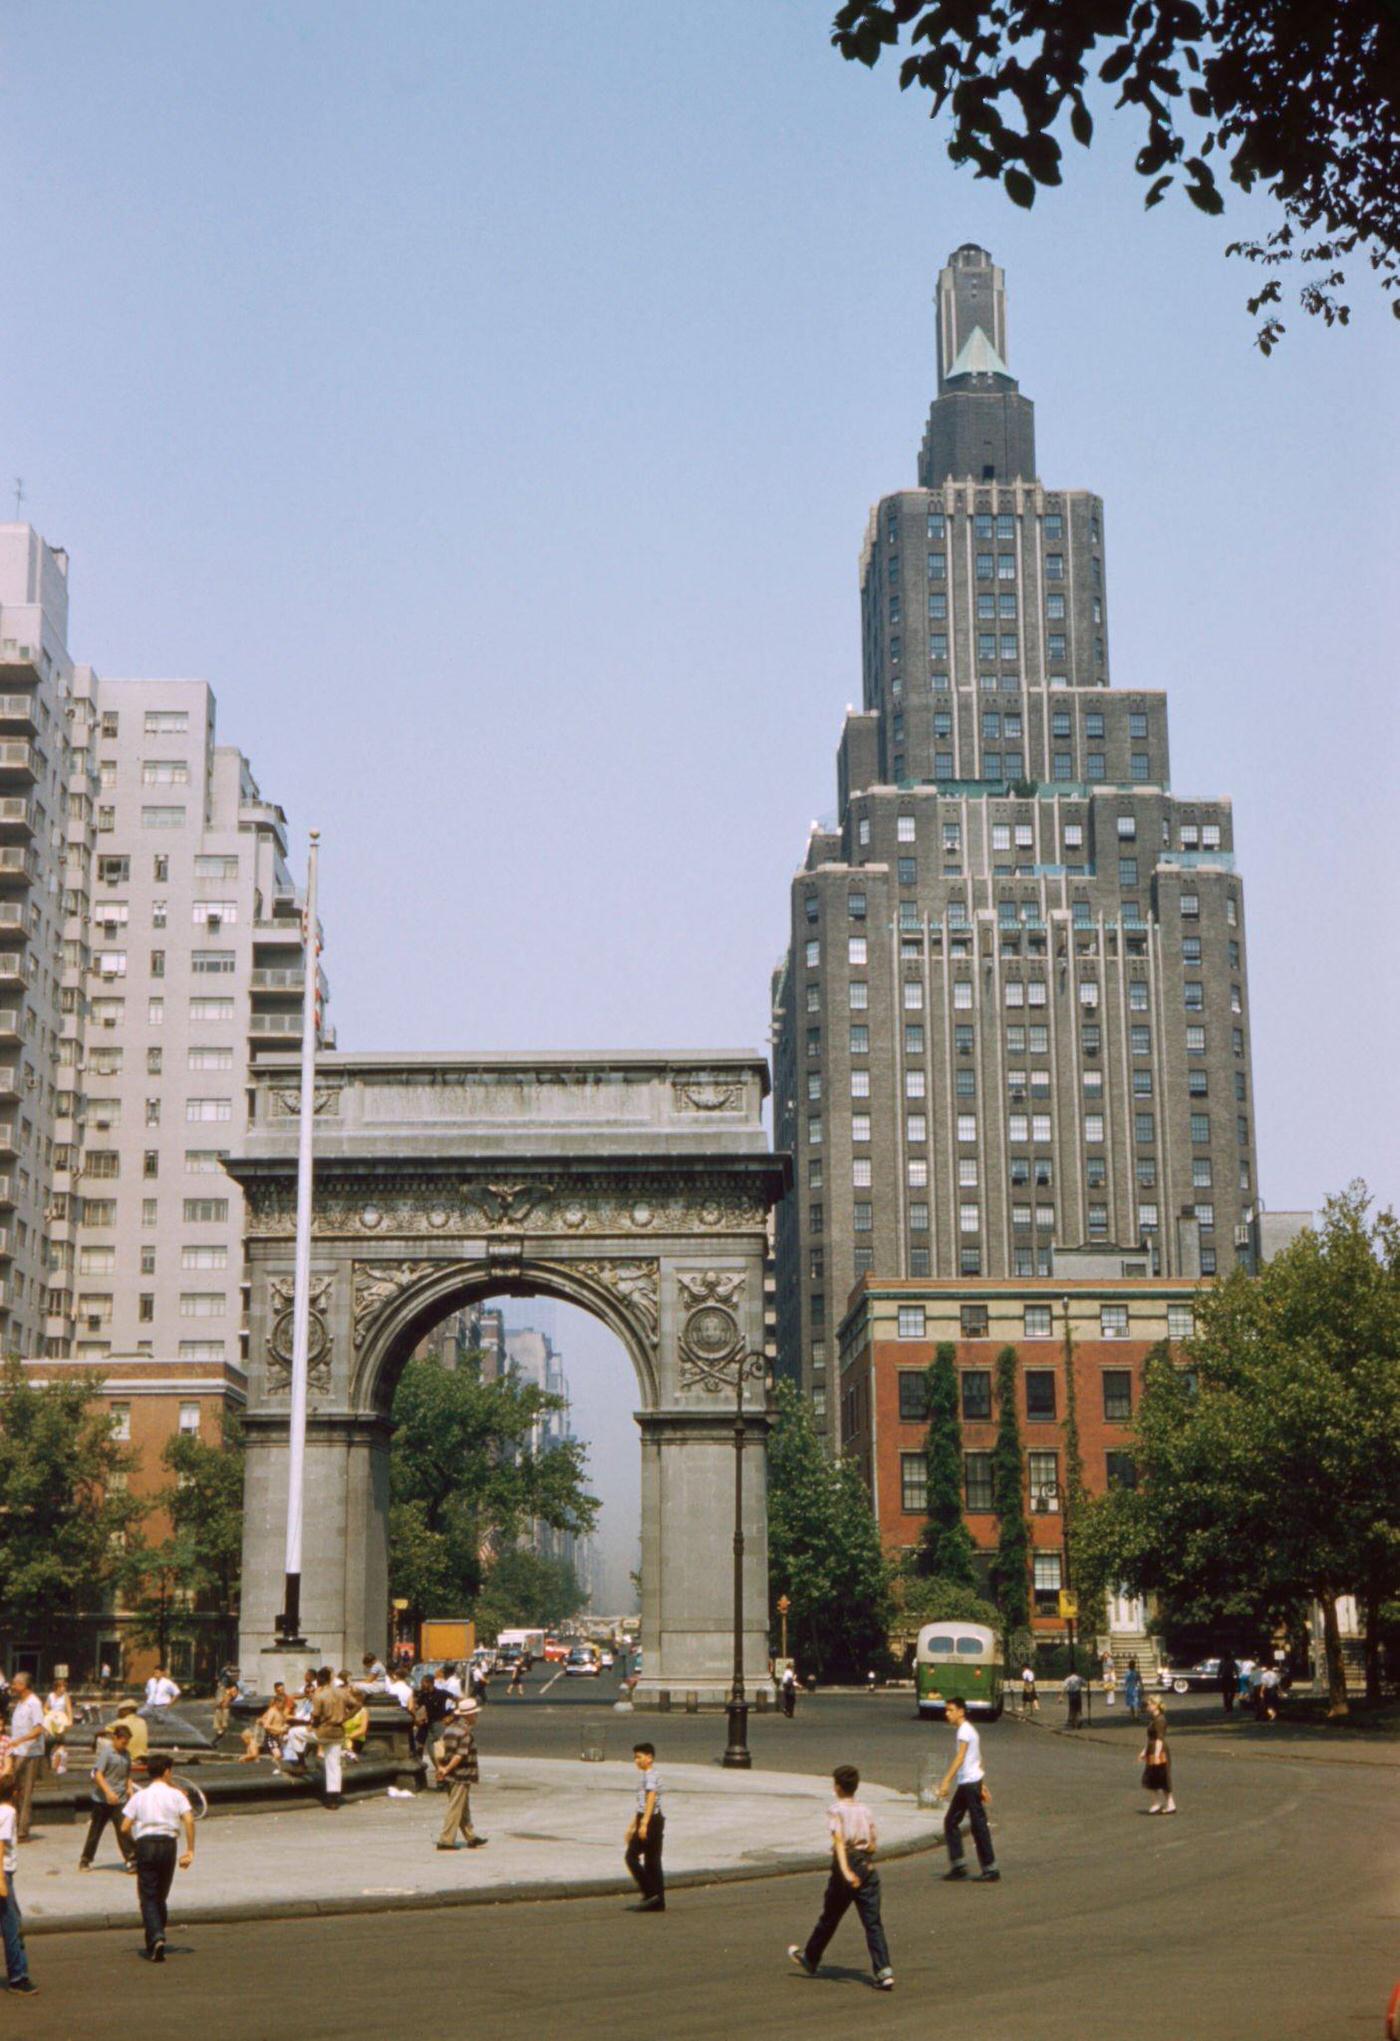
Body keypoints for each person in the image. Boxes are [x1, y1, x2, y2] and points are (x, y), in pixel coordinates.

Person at [788, 1764, 893, 1990]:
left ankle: (811, 1957)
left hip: (847, 1866)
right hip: (867, 1866)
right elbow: (873, 1843)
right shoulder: (865, 1810)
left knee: (830, 1916)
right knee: (872, 1922)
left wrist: (846, 1872)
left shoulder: (836, 1810)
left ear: (837, 1787)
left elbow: (839, 1844)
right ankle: (884, 1971)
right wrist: (864, 1862)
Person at [121, 1754, 195, 1962]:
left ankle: (156, 1937)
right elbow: (189, 1820)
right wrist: (190, 1850)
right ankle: (155, 1938)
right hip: (169, 1845)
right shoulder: (176, 1795)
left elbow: (124, 1826)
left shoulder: (139, 1796)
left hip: (146, 1843)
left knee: (147, 1896)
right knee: (160, 1895)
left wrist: (136, 1844)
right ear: (166, 1772)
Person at [936, 1697, 999, 1882]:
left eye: (950, 1710)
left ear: (961, 1711)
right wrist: (983, 1784)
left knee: (978, 1825)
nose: (947, 1714)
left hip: (970, 1783)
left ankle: (991, 1868)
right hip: (970, 1782)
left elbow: (961, 1757)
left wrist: (946, 1781)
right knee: (951, 1821)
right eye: (946, 1710)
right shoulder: (968, 1729)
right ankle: (959, 1865)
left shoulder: (964, 1731)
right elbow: (978, 1758)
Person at [79, 1720, 137, 1872]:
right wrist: (108, 1792)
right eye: (123, 1742)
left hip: (120, 1799)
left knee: (123, 1830)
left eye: (127, 1743)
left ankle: (131, 1859)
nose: (125, 1745)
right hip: (102, 1800)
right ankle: (86, 1859)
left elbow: (127, 1774)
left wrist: (129, 1788)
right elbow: (98, 1775)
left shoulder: (126, 1754)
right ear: (115, 1739)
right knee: (96, 1831)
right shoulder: (107, 1753)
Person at [0, 1774, 37, 1995]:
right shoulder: (9, 1813)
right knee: (12, 1925)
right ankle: (17, 1976)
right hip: (4, 1873)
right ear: (15, 1793)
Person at [434, 1697, 486, 1851]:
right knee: (456, 1807)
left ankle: (471, 1837)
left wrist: (441, 1768)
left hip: (452, 1774)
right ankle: (446, 1840)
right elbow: (459, 1755)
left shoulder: (449, 1729)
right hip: (461, 1773)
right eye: (474, 1714)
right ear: (468, 1715)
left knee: (462, 1806)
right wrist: (447, 1769)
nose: (476, 1717)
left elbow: (440, 1749)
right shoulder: (465, 1732)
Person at [624, 1742, 665, 1912]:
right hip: (655, 1819)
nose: (636, 1760)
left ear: (650, 1758)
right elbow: (641, 1805)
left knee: (631, 1856)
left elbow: (650, 1800)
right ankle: (658, 1901)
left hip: (651, 1819)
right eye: (635, 1757)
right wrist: (633, 1825)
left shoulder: (650, 1776)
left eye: (639, 1756)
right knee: (652, 1861)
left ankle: (651, 1894)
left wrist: (644, 1824)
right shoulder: (649, 1775)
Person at [310, 1666, 355, 1808]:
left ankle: (299, 1762)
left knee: (294, 1734)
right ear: (331, 1678)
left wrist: (314, 1725)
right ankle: (334, 1798)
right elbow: (358, 1705)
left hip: (322, 1732)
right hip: (337, 1732)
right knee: (334, 1765)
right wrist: (345, 1717)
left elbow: (316, 1717)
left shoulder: (320, 1694)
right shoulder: (342, 1692)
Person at [6, 1675, 44, 1844]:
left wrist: (19, 1741)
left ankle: (22, 1832)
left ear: (23, 1685)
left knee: (26, 1792)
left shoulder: (34, 1703)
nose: (12, 1685)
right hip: (18, 1751)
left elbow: (38, 1730)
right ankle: (14, 1826)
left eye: (15, 1683)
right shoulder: (20, 1703)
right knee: (15, 1790)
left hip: (30, 1753)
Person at [1140, 1703, 1175, 1813]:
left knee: (1161, 1776)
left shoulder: (1160, 1720)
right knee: (1152, 1777)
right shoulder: (1153, 1720)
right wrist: (1144, 1751)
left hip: (1159, 1751)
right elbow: (1150, 1738)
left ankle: (1166, 1804)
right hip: (1152, 1749)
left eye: (1150, 1704)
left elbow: (1160, 1739)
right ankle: (1159, 1803)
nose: (1148, 1706)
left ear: (1157, 1706)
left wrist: (1156, 1754)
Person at [241, 1686, 289, 1764]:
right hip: (270, 1737)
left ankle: (273, 1767)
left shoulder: (281, 1712)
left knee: (279, 1755)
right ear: (277, 1702)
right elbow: (267, 1726)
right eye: (282, 1703)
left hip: (277, 1737)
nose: (284, 1705)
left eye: (284, 1703)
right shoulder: (272, 1711)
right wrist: (279, 1729)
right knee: (277, 1755)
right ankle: (244, 1760)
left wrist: (285, 1727)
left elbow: (280, 1723)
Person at [115, 1698, 149, 1767]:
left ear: (126, 1711)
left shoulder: (118, 1723)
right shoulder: (142, 1722)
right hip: (143, 1758)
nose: (118, 1713)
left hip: (127, 1759)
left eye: (120, 1711)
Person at [211, 1673, 240, 1743]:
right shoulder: (221, 1688)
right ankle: (219, 1738)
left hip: (226, 1710)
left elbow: (234, 1697)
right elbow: (218, 1699)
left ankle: (219, 1740)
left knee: (225, 1726)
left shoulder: (232, 1688)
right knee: (219, 1727)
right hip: (219, 1709)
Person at [1218, 1650, 1238, 1715]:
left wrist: (1237, 1675)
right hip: (1226, 1677)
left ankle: (1228, 1704)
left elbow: (1235, 1669)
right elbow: (1220, 1669)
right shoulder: (1227, 1661)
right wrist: (1218, 1675)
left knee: (1230, 1692)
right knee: (1226, 1693)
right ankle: (1228, 1705)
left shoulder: (1230, 1661)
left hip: (1229, 1677)